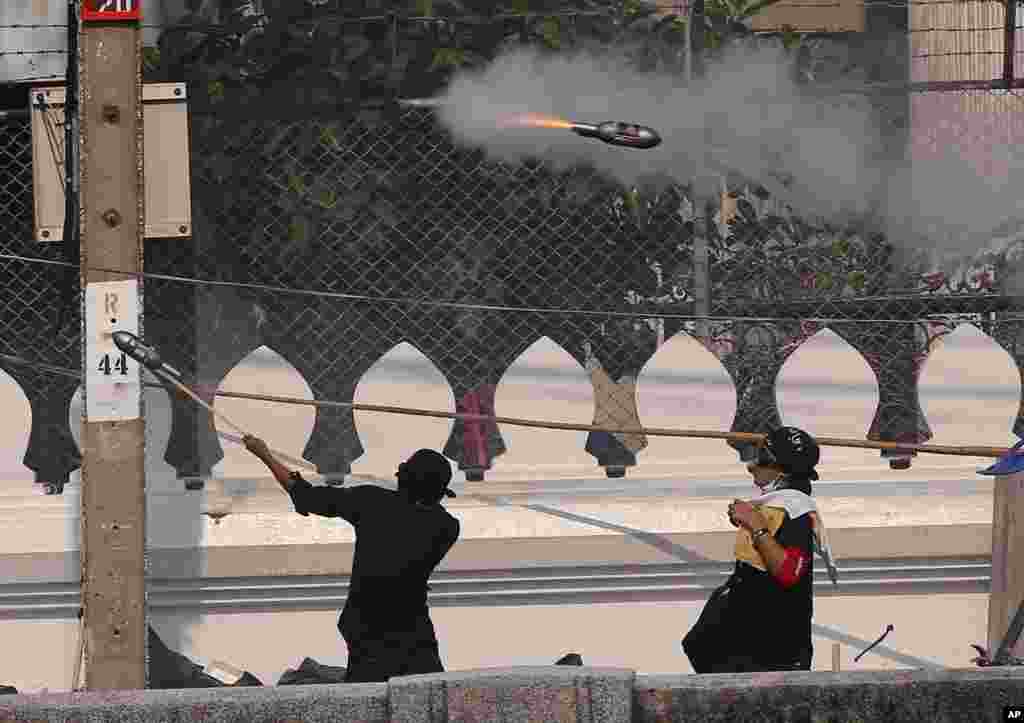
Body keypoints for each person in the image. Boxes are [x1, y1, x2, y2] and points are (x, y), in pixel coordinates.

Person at [243, 436, 461, 683]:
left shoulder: (372, 503)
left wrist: (265, 455)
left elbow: (305, 495)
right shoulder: (447, 528)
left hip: (367, 628)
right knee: (430, 697)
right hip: (414, 633)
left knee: (367, 699)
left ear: (404, 478)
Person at [681, 426, 837, 673]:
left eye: (763, 459)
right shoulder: (777, 506)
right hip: (746, 649)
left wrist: (756, 526)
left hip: (769, 656)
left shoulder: (795, 513)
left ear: (783, 470)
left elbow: (788, 572)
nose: (751, 466)